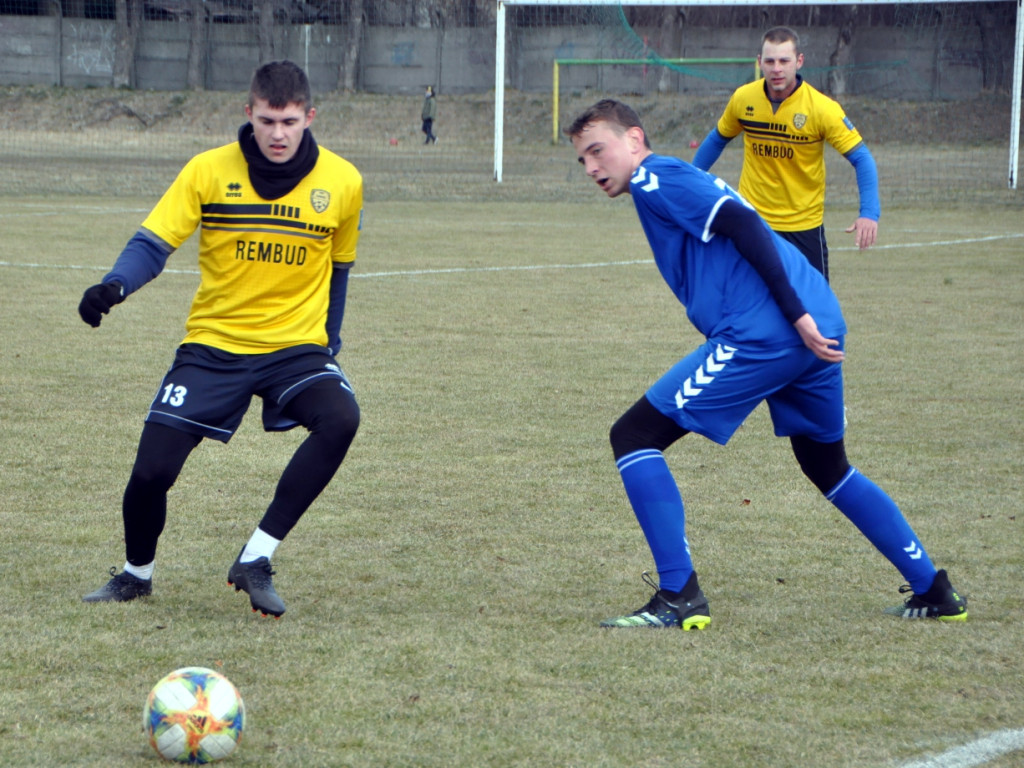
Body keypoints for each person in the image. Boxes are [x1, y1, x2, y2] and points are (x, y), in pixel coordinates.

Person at [565, 99, 967, 629]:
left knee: (634, 436)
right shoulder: (665, 179)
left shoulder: (655, 178)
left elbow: (743, 223)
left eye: (599, 150)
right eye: (582, 160)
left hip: (772, 330)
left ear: (635, 141)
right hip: (817, 317)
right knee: (828, 467)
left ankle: (678, 595)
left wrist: (794, 316)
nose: (592, 167)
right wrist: (804, 314)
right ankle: (934, 590)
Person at [78, 60, 363, 618]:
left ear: (309, 116)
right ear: (248, 114)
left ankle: (255, 557)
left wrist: (329, 339)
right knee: (152, 471)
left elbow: (341, 268)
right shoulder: (208, 171)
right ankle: (137, 575)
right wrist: (114, 285)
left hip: (294, 348)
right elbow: (154, 243)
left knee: (342, 417)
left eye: (288, 121)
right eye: (266, 120)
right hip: (214, 346)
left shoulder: (344, 181)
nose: (277, 133)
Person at [692, 26, 879, 282]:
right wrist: (690, 184)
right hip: (753, 223)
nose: (776, 68)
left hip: (804, 228)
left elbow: (862, 158)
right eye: (769, 61)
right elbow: (716, 140)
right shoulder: (743, 99)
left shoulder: (822, 109)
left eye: (784, 60)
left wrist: (869, 212)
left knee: (814, 313)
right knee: (751, 307)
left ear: (799, 61)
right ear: (759, 63)